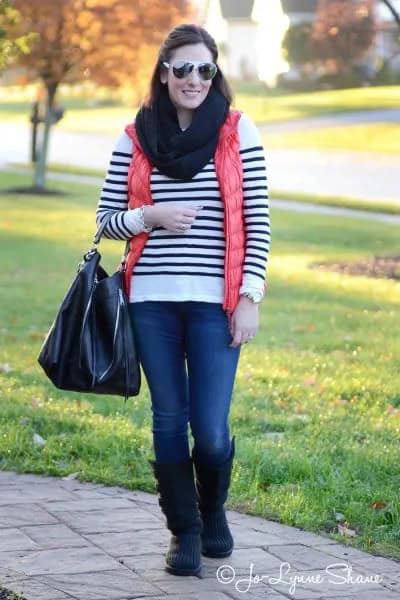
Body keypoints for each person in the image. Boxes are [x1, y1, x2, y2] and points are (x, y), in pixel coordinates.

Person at [96, 23, 270, 577]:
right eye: (183, 69)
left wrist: (250, 294)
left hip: (216, 304)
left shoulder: (239, 133)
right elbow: (105, 222)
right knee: (168, 420)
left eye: (205, 69)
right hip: (151, 302)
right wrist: (150, 216)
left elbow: (260, 221)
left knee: (212, 429)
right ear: (164, 73)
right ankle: (184, 531)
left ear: (215, 74)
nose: (194, 79)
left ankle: (213, 510)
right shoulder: (134, 137)